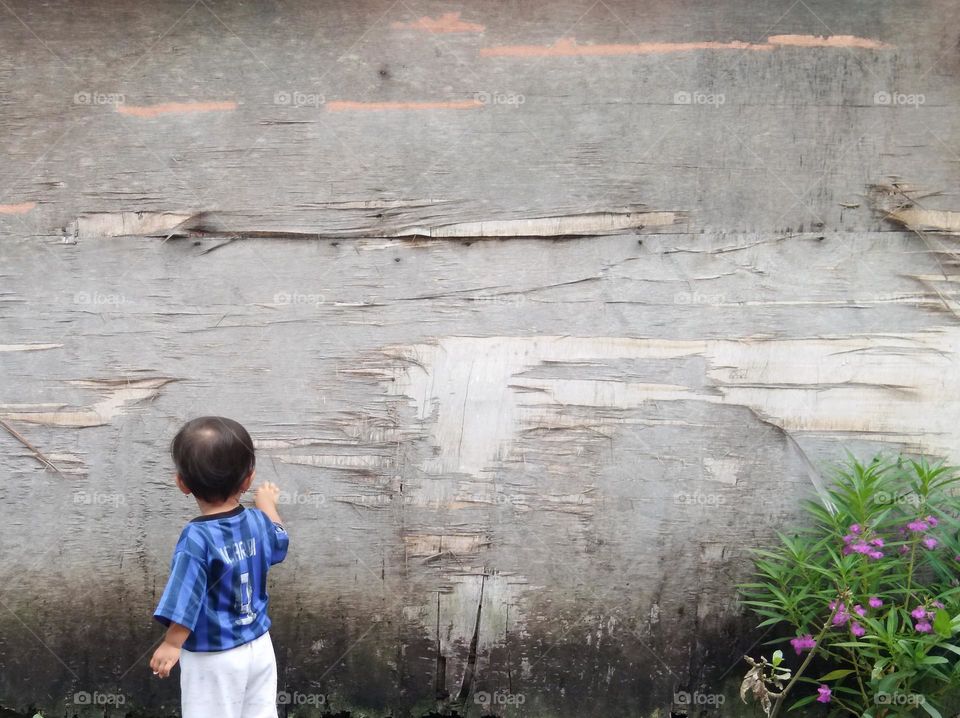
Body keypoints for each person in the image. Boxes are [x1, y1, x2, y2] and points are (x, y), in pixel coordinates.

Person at [149, 416, 289, 718]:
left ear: (182, 483)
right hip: (259, 646)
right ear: (248, 480)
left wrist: (172, 643)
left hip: (214, 655)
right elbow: (280, 542)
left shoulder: (197, 537)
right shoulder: (257, 522)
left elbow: (186, 594)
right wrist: (267, 504)